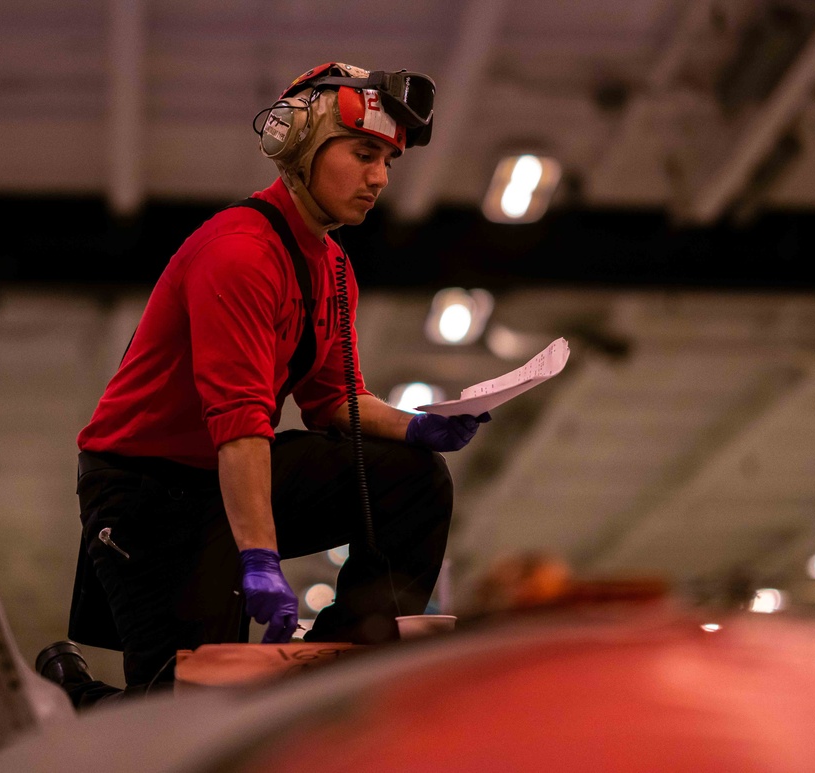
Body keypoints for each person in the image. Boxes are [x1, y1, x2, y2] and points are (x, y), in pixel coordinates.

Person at [35, 61, 490, 708]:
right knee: (190, 712)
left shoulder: (331, 267)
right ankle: (74, 699)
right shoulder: (240, 254)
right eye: (364, 153)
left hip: (225, 472)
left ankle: (354, 649)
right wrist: (261, 559)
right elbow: (241, 423)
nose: (380, 178)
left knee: (410, 473)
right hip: (146, 494)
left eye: (389, 162)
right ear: (300, 146)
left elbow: (335, 403)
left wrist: (421, 426)